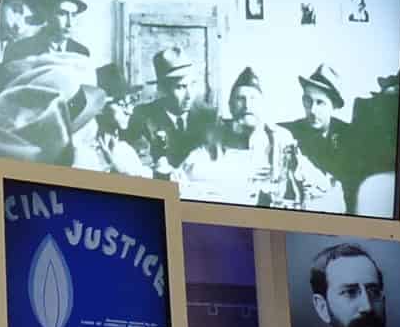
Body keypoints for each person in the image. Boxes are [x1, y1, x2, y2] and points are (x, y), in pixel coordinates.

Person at [199, 66, 295, 206]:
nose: (247, 105)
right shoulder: (215, 136)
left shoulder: (280, 138)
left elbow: (307, 177)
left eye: (253, 98)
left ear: (263, 105)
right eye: (240, 99)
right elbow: (194, 172)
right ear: (230, 106)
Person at [283, 64, 359, 213]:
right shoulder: (289, 133)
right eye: (307, 101)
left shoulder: (350, 137)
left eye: (320, 102)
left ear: (334, 106)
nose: (312, 110)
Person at [121, 48, 204, 175]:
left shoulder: (206, 117)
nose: (189, 95)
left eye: (193, 84)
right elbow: (138, 165)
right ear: (163, 89)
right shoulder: (141, 118)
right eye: (181, 87)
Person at [5, 0, 90, 62]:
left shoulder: (82, 53)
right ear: (47, 13)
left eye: (73, 15)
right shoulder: (20, 50)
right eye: (62, 14)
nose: (70, 23)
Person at [0, 0, 42, 66]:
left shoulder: (20, 50)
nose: (19, 25)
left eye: (28, 20)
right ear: (1, 2)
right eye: (16, 11)